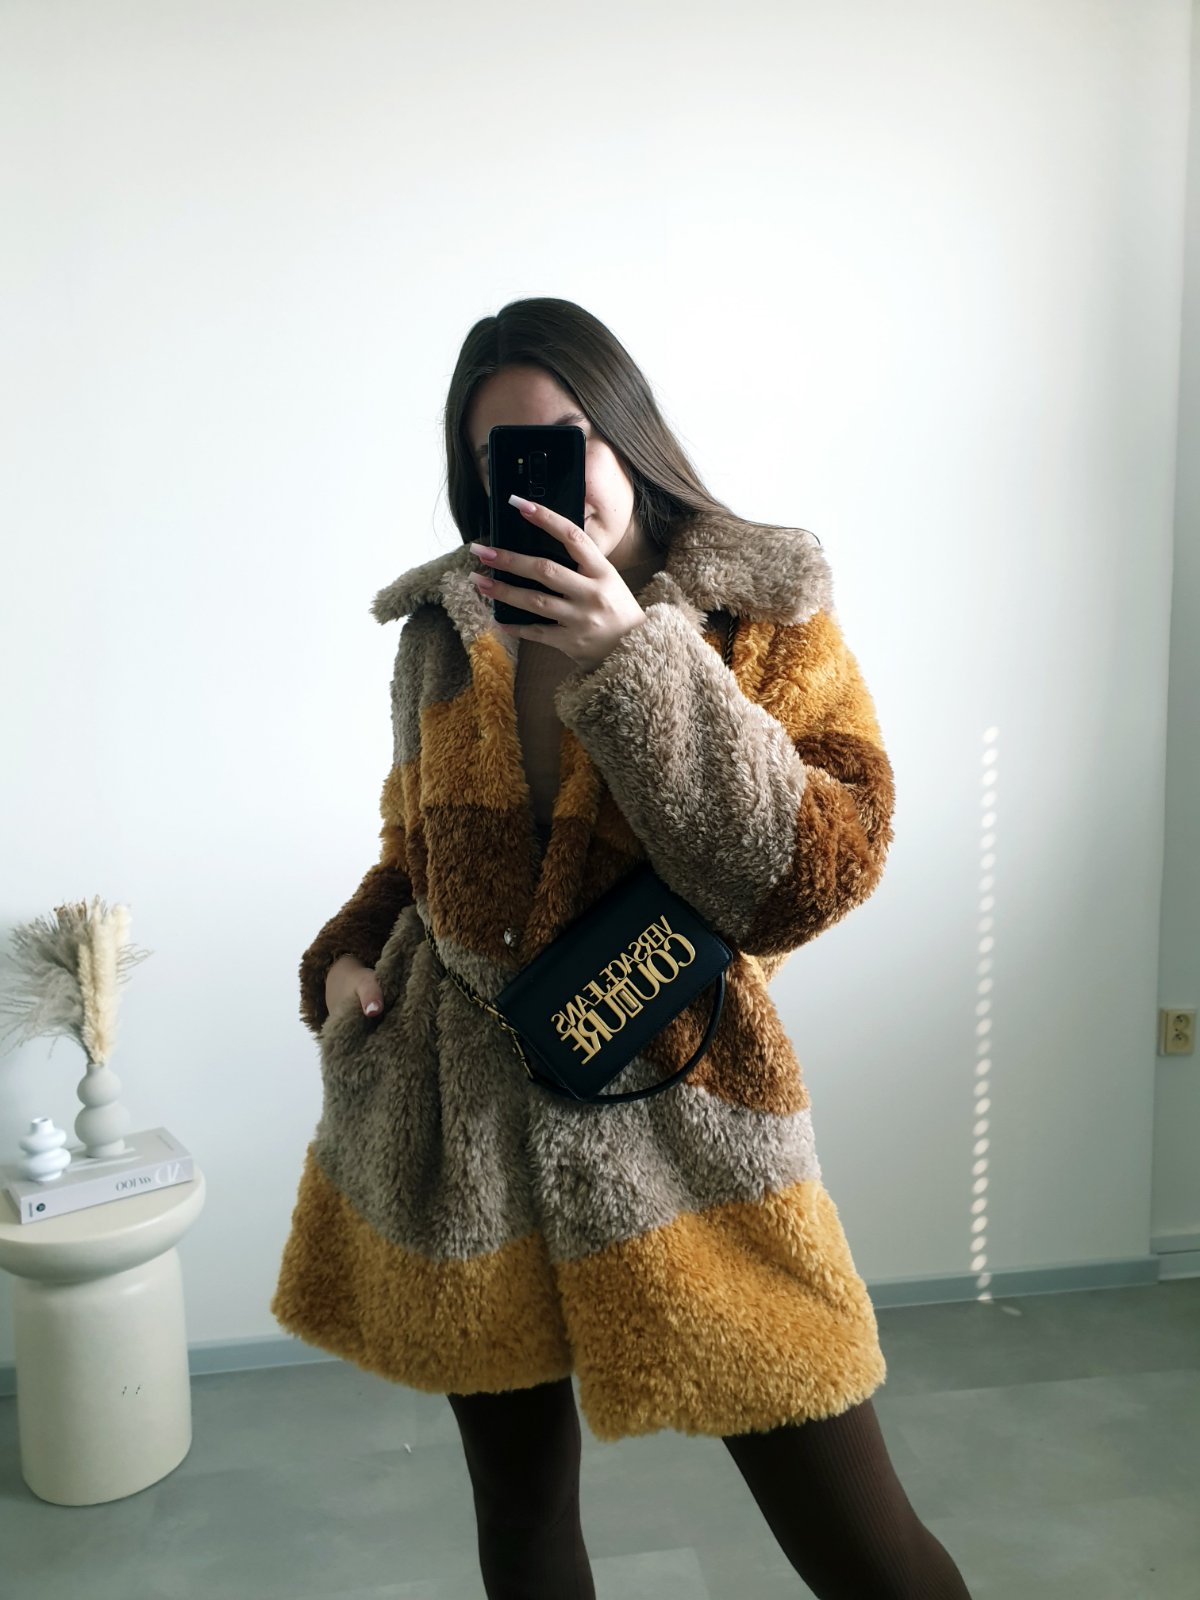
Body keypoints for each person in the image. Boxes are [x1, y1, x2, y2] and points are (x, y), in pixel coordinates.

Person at [271, 297, 972, 1599]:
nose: (547, 472)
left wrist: (636, 659)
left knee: (863, 1543)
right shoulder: (445, 634)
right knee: (523, 1518)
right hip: (471, 1126)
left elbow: (819, 867)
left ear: (627, 435)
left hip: (687, 1117)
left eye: (569, 436)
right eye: (504, 454)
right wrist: (344, 962)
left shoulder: (757, 611)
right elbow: (411, 855)